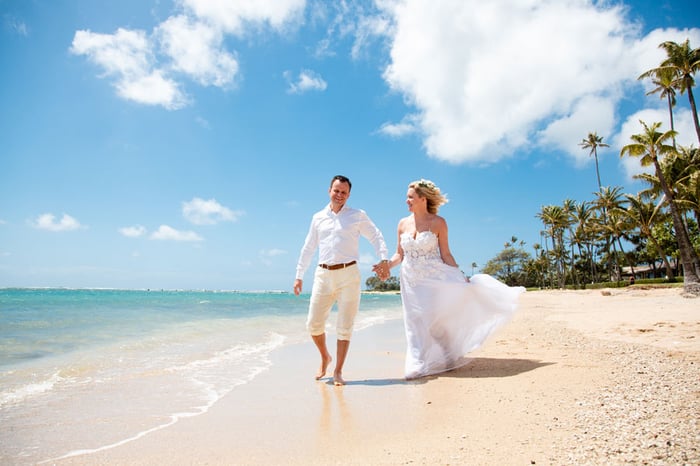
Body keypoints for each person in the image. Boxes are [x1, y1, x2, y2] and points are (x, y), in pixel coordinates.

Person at [383, 179, 525, 379]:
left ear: (423, 199)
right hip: (410, 279)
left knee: (433, 321)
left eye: (410, 197)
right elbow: (399, 254)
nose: (406, 200)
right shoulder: (402, 224)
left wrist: (460, 277)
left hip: (434, 279)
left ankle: (449, 354)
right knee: (414, 320)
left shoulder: (438, 223)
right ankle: (417, 361)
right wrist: (387, 265)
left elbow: (446, 254)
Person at [294, 175, 390, 386]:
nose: (339, 195)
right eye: (336, 191)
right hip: (323, 275)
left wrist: (383, 258)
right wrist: (299, 275)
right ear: (329, 190)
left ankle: (338, 371)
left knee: (345, 326)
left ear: (349, 195)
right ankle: (325, 357)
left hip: (349, 275)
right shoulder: (317, 217)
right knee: (313, 324)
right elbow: (309, 247)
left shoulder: (357, 215)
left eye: (344, 192)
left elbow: (375, 235)